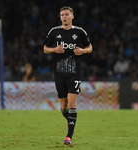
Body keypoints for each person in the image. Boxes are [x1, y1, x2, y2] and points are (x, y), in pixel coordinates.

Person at [43, 6, 92, 145]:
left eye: (66, 14)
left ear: (72, 16)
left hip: (74, 73)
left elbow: (90, 47)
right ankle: (70, 122)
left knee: (72, 103)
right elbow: (45, 49)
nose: (64, 17)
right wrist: (54, 49)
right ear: (60, 17)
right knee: (64, 107)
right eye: (62, 15)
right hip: (59, 73)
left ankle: (69, 136)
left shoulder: (79, 32)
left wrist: (83, 51)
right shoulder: (54, 31)